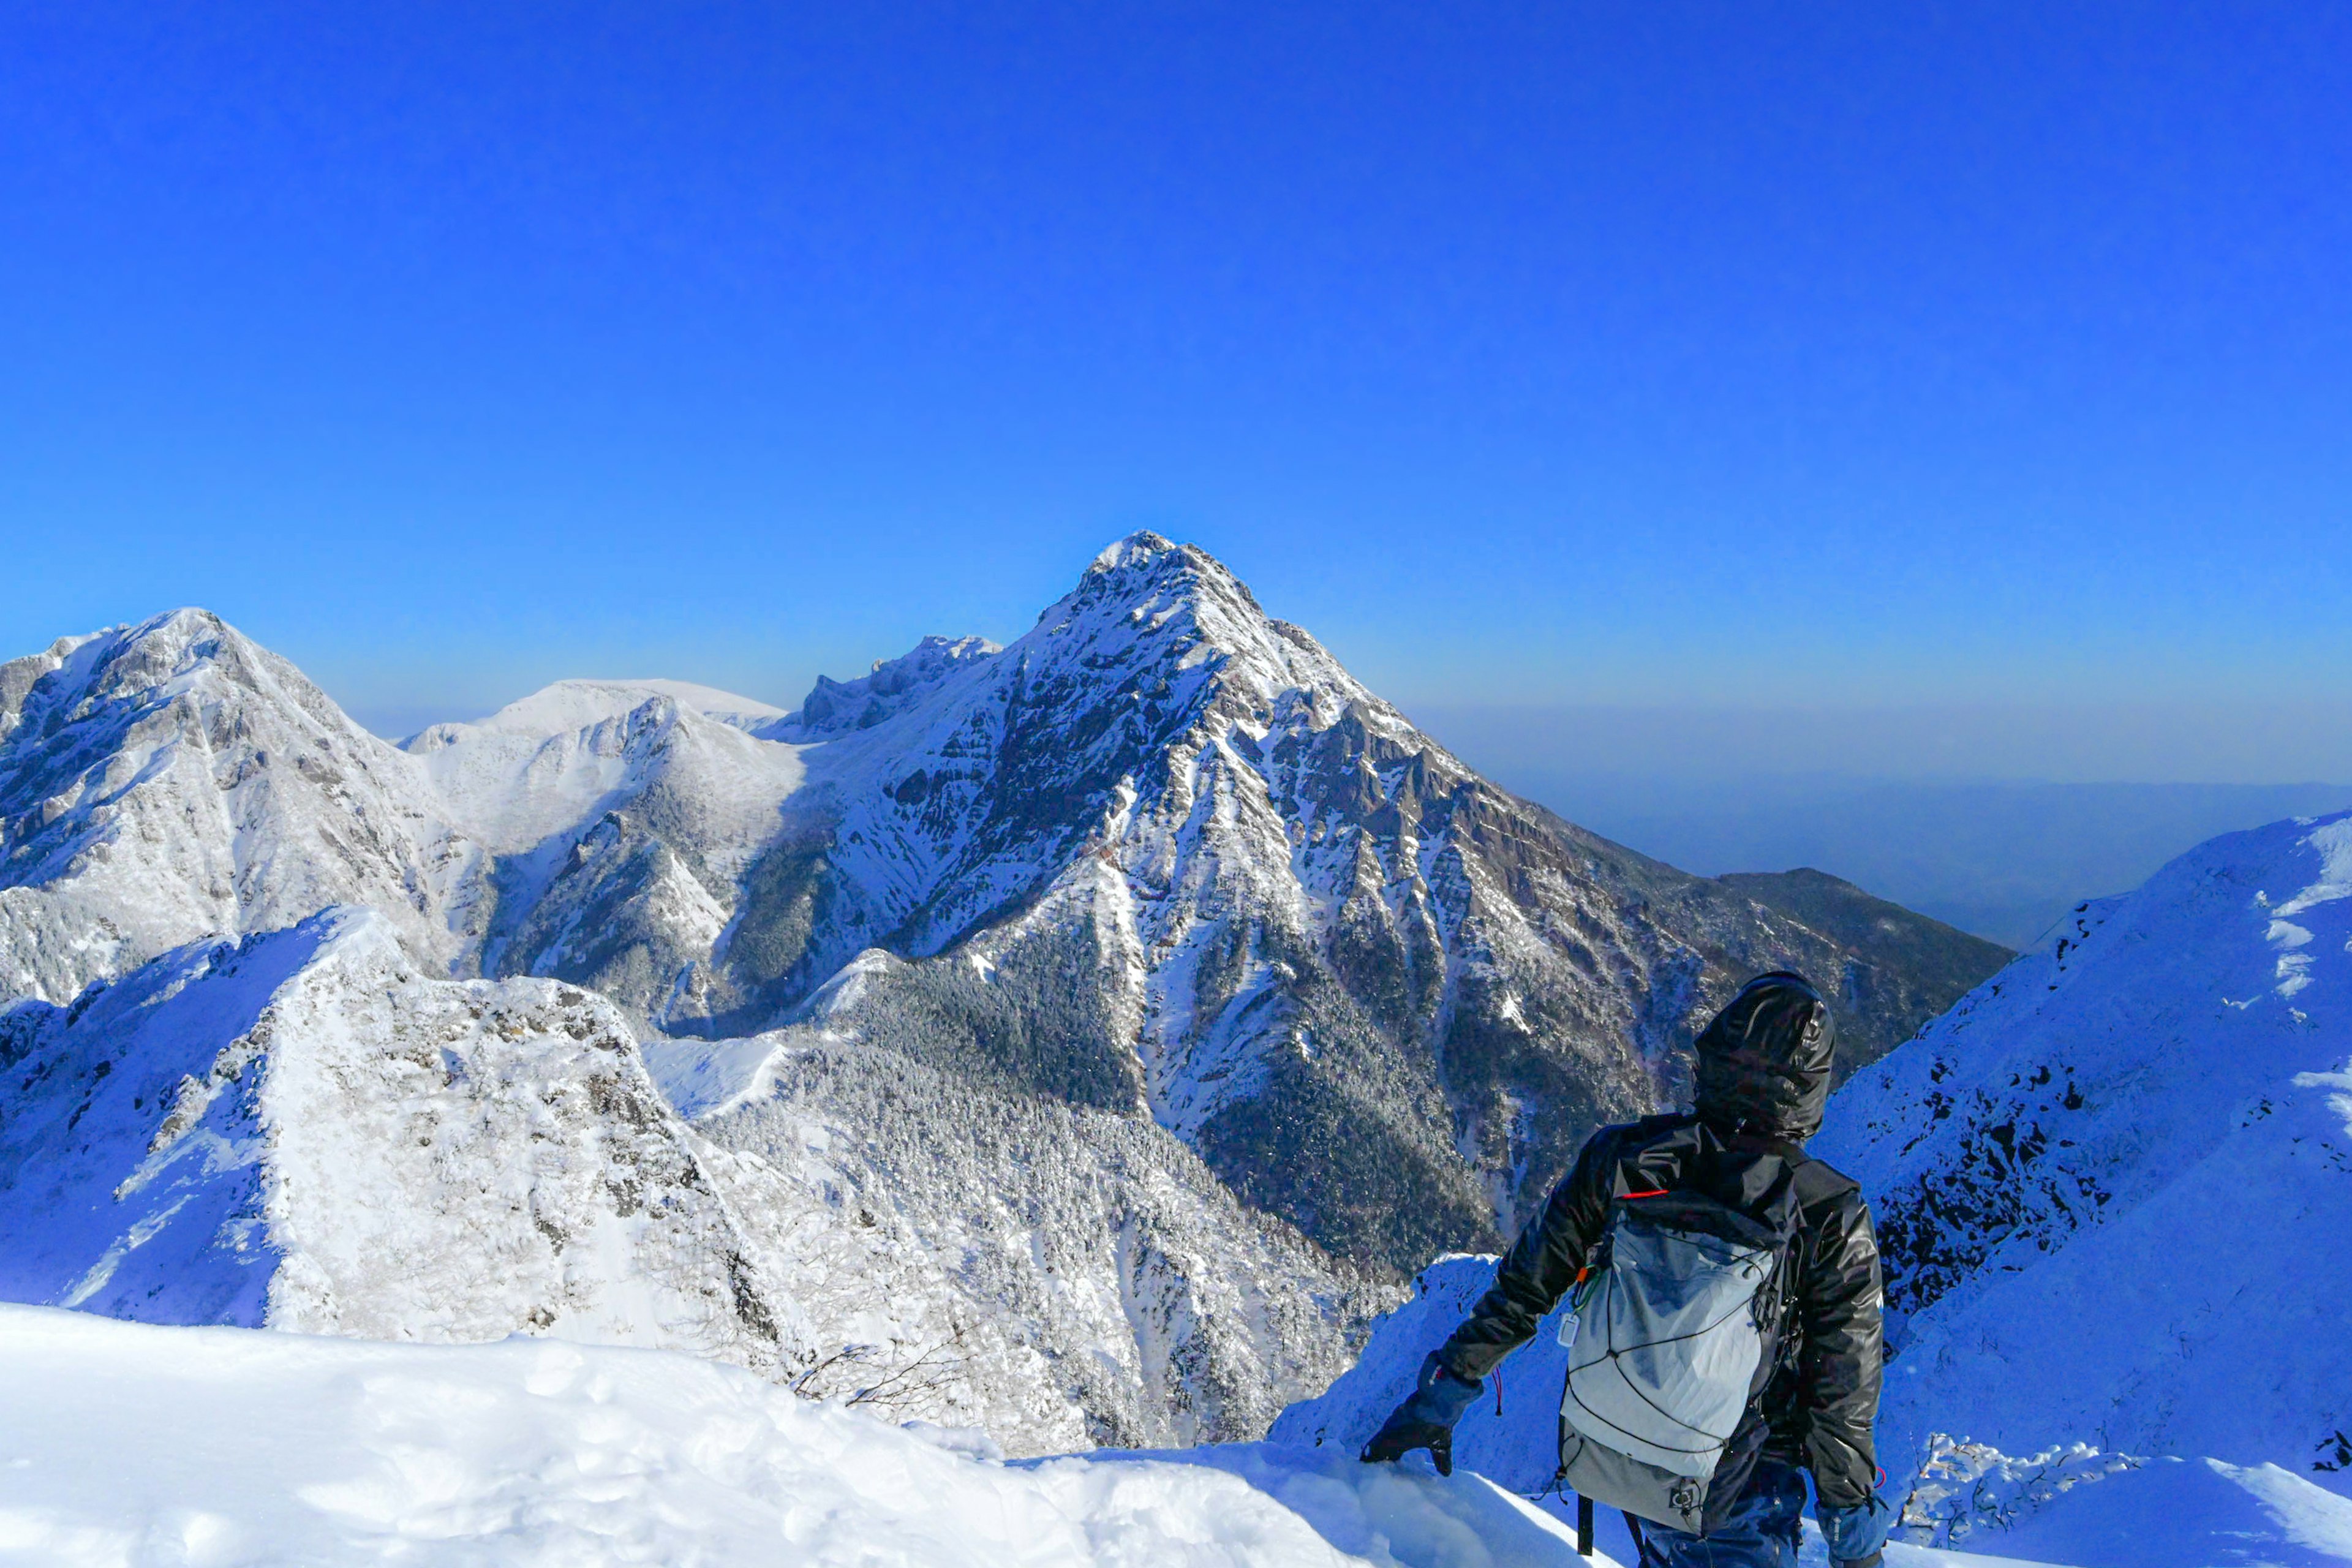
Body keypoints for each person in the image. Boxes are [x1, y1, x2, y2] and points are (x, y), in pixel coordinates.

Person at [1360, 972, 1892, 1568]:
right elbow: (1841, 1394)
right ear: (1812, 1090)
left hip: (1629, 1458)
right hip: (1741, 1488)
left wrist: (1444, 1393)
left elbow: (1525, 1285)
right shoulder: (1826, 1213)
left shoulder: (1626, 1157)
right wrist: (1855, 1540)